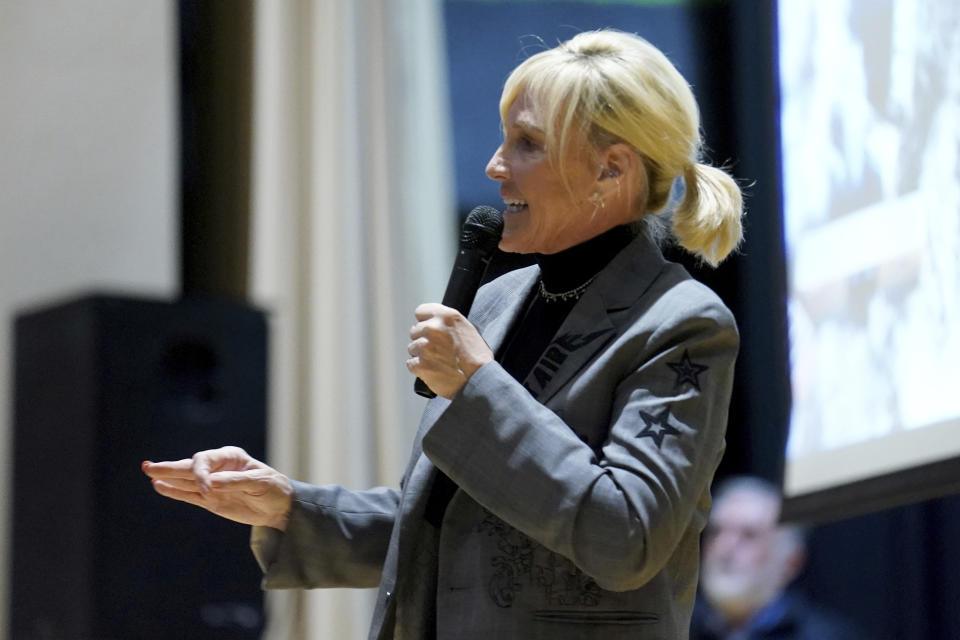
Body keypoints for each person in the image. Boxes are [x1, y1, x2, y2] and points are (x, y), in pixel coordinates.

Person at [143, 29, 743, 639]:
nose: (494, 166)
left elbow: (625, 535)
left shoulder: (680, 324)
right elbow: (450, 532)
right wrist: (292, 507)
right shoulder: (499, 302)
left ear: (609, 170)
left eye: (527, 144)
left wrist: (478, 386)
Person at [690, 476, 862, 640]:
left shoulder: (826, 636)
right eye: (715, 532)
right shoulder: (671, 625)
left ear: (791, 562)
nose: (724, 548)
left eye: (749, 535)